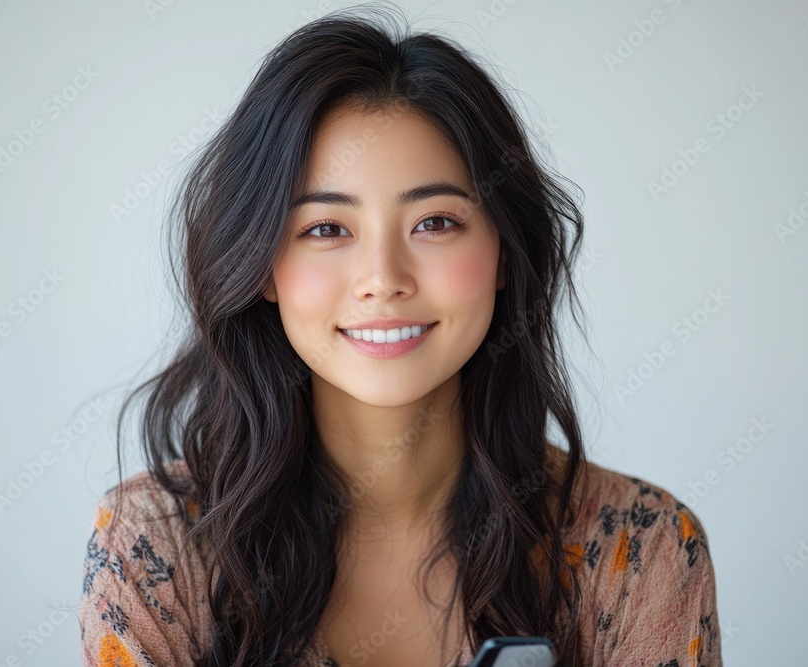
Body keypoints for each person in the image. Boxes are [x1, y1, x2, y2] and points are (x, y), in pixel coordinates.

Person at [78, 5, 723, 666]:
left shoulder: (643, 550)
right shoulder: (152, 545)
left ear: (504, 252)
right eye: (326, 229)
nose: (382, 279)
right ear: (262, 265)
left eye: (435, 222)